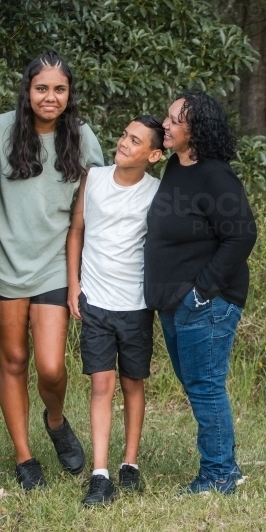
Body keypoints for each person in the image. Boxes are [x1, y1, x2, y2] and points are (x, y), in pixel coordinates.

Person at [0, 51, 105, 490]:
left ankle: (54, 420)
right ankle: (23, 455)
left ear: (69, 94)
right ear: (27, 90)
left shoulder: (83, 138)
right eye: (41, 88)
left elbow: (95, 207)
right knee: (13, 360)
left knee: (50, 367)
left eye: (59, 89)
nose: (49, 97)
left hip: (55, 264)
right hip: (5, 264)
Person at [145, 91, 257, 494]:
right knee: (198, 385)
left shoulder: (215, 175)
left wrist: (202, 291)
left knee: (205, 386)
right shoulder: (175, 168)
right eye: (167, 116)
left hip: (206, 302)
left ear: (198, 129)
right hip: (175, 303)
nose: (166, 124)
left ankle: (219, 475)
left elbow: (242, 235)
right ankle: (226, 465)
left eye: (176, 119)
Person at [66, 116, 165, 506]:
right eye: (124, 134)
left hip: (136, 305)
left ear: (154, 155)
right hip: (96, 301)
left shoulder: (158, 192)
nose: (123, 142)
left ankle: (130, 464)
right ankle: (101, 473)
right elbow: (77, 230)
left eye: (135, 140)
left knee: (132, 383)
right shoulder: (94, 179)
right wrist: (74, 284)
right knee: (101, 385)